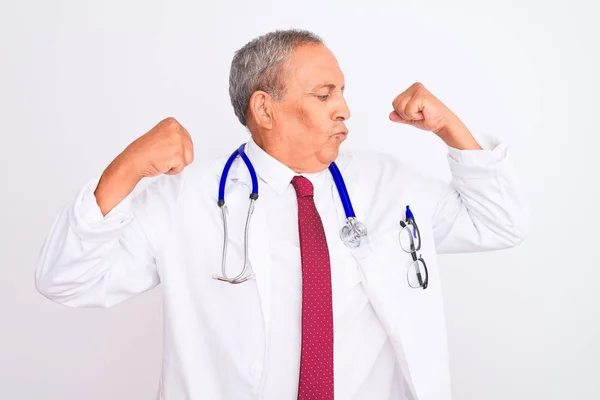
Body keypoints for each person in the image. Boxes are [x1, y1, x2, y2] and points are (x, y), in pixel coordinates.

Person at [35, 29, 529, 400]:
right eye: (324, 94)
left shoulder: (386, 185)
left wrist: (449, 127)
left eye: (341, 92)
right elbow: (66, 280)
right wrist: (126, 170)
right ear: (265, 109)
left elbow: (499, 222)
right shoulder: (186, 199)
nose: (345, 110)